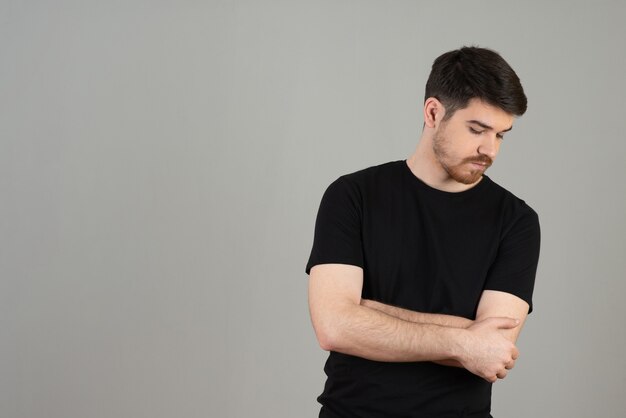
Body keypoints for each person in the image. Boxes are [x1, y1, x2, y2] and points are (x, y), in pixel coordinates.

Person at [305, 46, 541, 418]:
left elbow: (494, 349)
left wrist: (367, 312)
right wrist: (465, 339)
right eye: (477, 129)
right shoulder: (352, 196)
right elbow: (334, 327)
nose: (489, 149)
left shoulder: (517, 221)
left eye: (501, 135)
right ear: (433, 112)